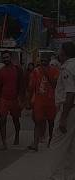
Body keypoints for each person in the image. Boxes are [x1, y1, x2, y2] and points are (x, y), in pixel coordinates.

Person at [49, 42, 75, 179]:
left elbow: (70, 93)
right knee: (71, 147)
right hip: (72, 110)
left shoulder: (67, 68)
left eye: (59, 50)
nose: (58, 53)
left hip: (68, 110)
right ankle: (69, 175)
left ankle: (57, 177)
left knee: (57, 145)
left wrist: (63, 118)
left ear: (64, 52)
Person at [27, 56, 59, 151]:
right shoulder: (36, 71)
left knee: (51, 123)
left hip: (51, 101)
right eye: (42, 61)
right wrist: (29, 101)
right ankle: (35, 144)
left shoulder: (55, 71)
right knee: (37, 122)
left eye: (45, 61)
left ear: (49, 62)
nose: (43, 63)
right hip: (39, 101)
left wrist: (46, 73)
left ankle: (50, 141)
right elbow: (31, 87)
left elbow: (54, 85)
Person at [0, 51, 23, 150]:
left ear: (10, 57)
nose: (5, 59)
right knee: (2, 120)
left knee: (16, 120)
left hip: (15, 99)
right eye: (4, 58)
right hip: (4, 99)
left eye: (7, 57)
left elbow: (21, 85)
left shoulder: (17, 69)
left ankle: (17, 135)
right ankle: (4, 142)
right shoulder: (0, 71)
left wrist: (21, 99)